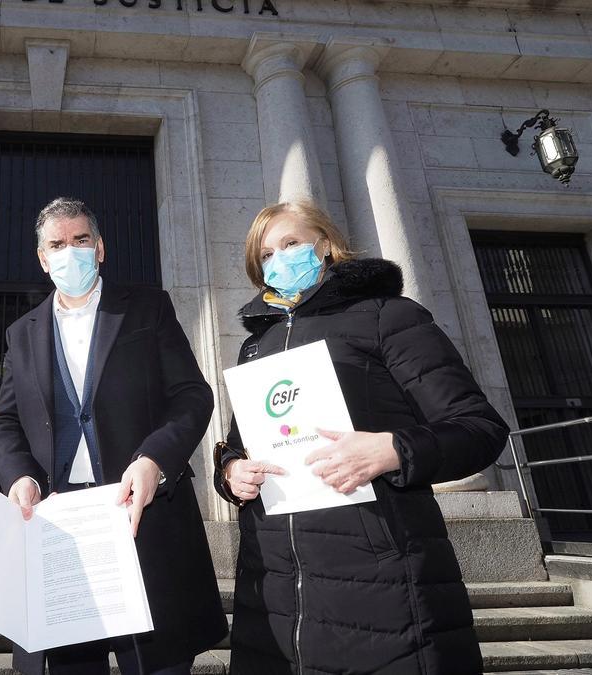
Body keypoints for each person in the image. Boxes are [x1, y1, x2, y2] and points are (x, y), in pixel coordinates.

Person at [213, 200, 509, 674]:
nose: (279, 259)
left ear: (325, 245)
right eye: (266, 255)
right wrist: (231, 472)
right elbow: (235, 445)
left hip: (382, 590)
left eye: (291, 243)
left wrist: (392, 449)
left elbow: (479, 429)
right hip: (275, 594)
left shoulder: (388, 316)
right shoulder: (258, 345)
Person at [0, 197, 227, 675]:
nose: (69, 251)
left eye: (80, 240)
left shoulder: (147, 308)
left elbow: (192, 395)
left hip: (141, 514)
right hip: (61, 527)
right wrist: (18, 477)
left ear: (100, 249)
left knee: (156, 663)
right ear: (42, 259)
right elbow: (6, 420)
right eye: (56, 244)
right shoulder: (21, 332)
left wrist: (154, 458)